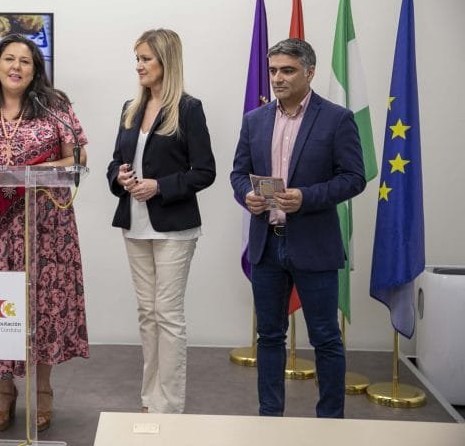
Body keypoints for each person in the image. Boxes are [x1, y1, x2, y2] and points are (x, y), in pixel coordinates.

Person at [0, 33, 89, 432]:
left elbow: (77, 155)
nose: (16, 67)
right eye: (9, 59)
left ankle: (43, 390)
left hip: (44, 227)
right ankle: (4, 391)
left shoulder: (55, 105)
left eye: (25, 61)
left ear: (35, 69)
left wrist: (36, 171)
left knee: (41, 304)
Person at [230, 38, 366, 418]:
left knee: (325, 338)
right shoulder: (255, 120)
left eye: (287, 70)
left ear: (310, 72)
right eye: (273, 70)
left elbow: (354, 178)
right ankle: (270, 419)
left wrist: (306, 197)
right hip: (266, 245)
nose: (278, 78)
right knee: (269, 337)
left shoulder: (337, 119)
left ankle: (330, 422)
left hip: (314, 245)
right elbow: (238, 173)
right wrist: (247, 195)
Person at [106, 29, 216, 414]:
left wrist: (160, 186)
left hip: (174, 229)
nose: (139, 66)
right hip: (134, 225)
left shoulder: (189, 109)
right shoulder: (130, 108)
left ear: (166, 61)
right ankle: (149, 398)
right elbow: (114, 163)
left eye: (146, 59)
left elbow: (205, 171)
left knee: (167, 315)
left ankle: (167, 407)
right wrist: (120, 178)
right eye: (136, 58)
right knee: (147, 315)